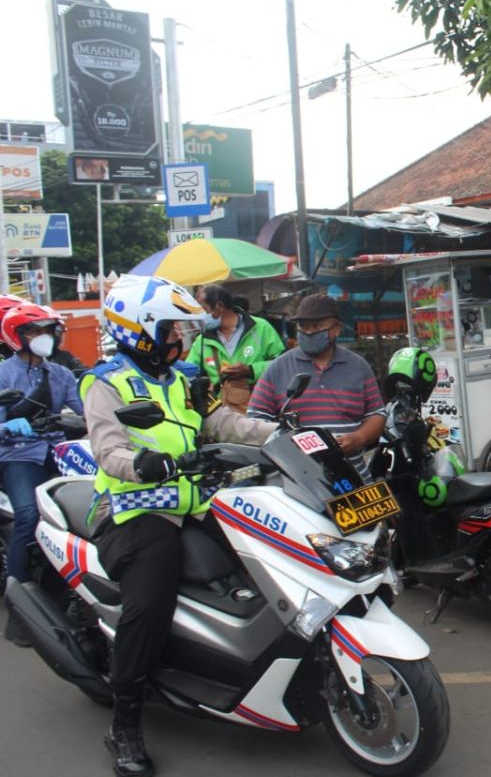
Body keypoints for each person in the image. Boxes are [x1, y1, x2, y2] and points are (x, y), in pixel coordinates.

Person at [81, 275, 277, 776]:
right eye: (172, 330)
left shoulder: (184, 379)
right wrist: (141, 463)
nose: (180, 339)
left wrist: (283, 433)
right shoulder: (106, 383)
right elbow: (108, 449)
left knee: (265, 559)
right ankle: (124, 723)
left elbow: (224, 424)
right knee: (149, 603)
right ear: (141, 331)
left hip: (197, 505)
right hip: (135, 514)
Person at [0, 303, 84, 646]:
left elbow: (85, 409)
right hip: (17, 455)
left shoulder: (61, 374)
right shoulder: (4, 374)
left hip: (58, 452)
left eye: (49, 331)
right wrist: (7, 426)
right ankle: (18, 602)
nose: (44, 337)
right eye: (36, 331)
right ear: (17, 337)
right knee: (28, 516)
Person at [248, 294, 385, 479]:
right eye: (303, 326)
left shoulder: (358, 366)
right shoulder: (278, 367)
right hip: (301, 482)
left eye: (317, 326)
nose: (309, 332)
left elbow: (376, 414)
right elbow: (256, 419)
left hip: (355, 478)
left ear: (336, 328)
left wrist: (358, 438)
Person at [186, 284, 285, 414]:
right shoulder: (203, 339)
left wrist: (251, 371)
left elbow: (282, 365)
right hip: (220, 413)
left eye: (203, 310)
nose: (199, 316)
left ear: (219, 306)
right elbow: (188, 371)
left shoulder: (260, 328)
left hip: (260, 409)